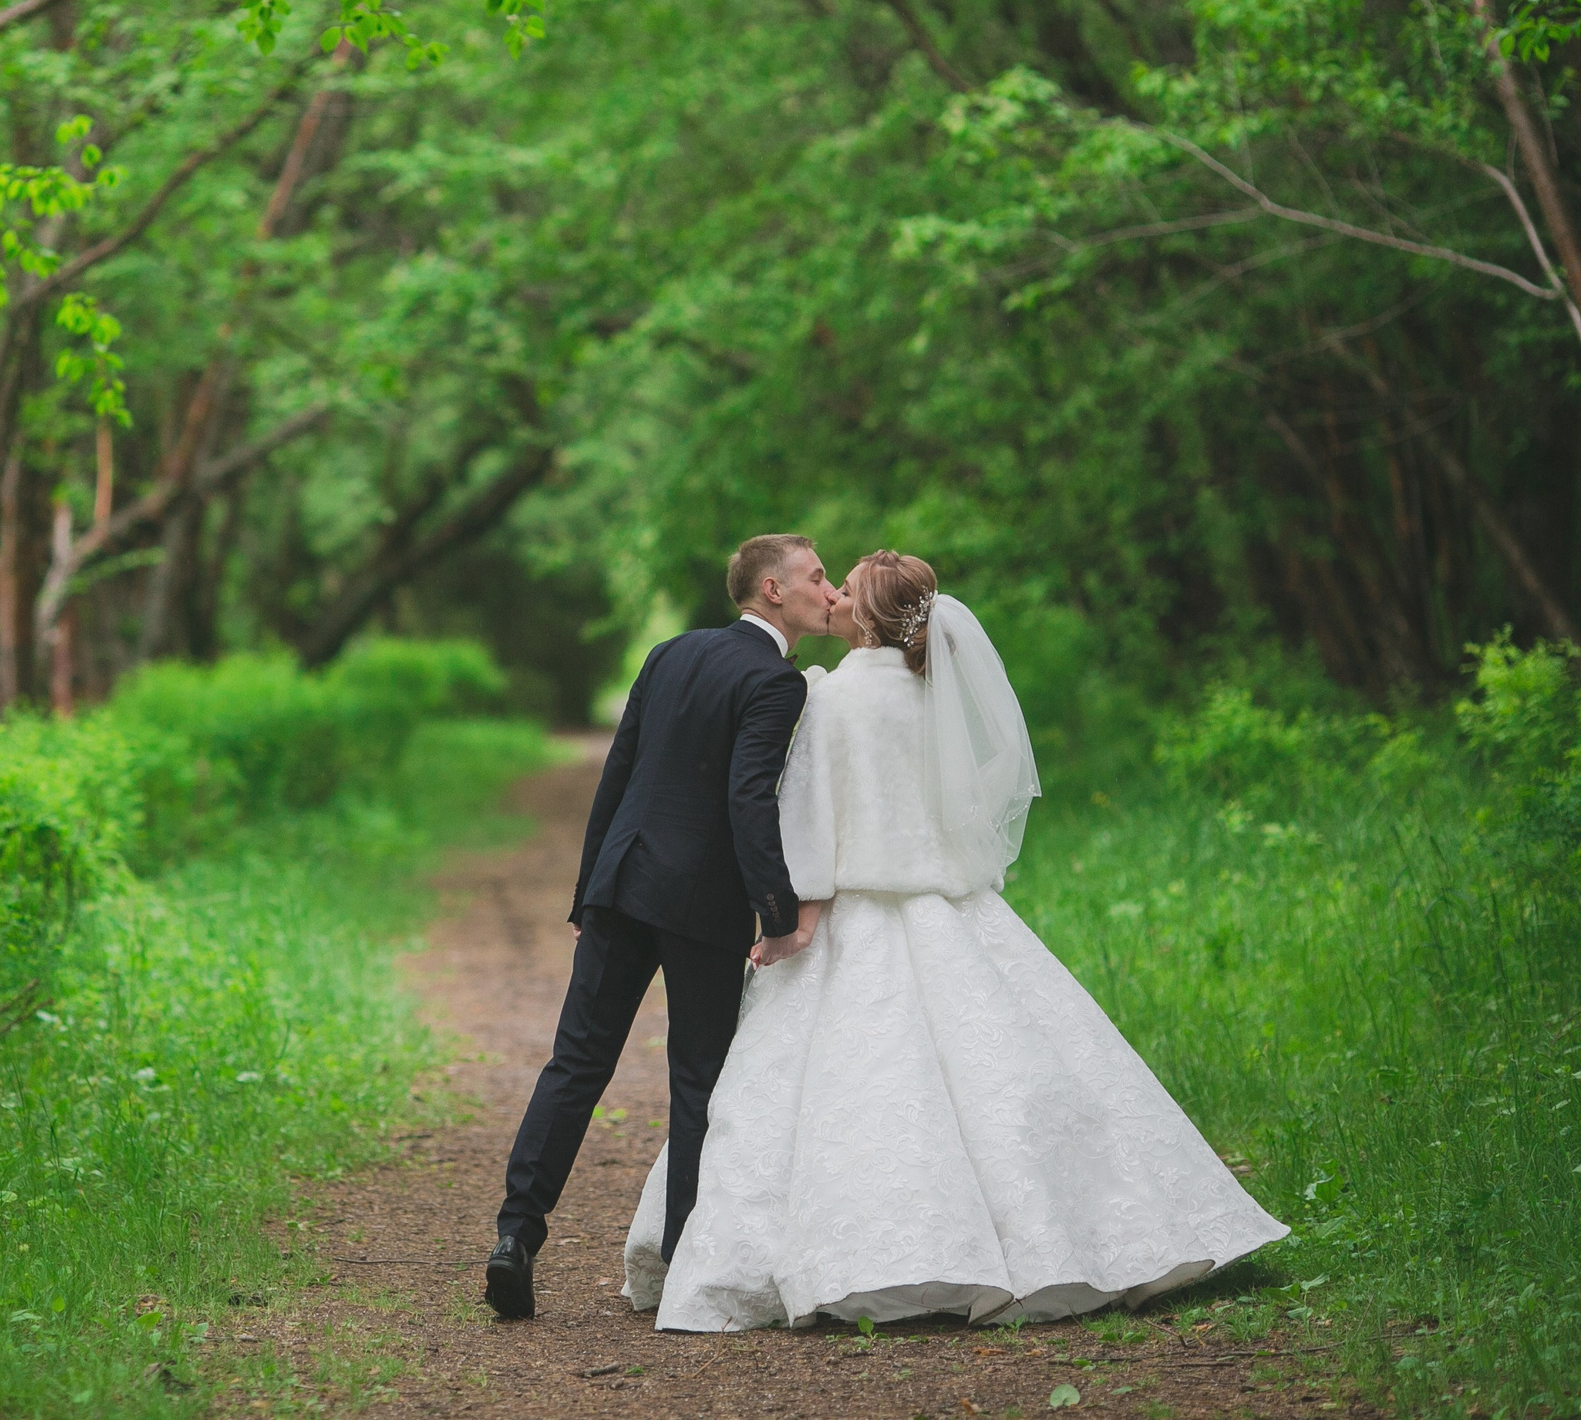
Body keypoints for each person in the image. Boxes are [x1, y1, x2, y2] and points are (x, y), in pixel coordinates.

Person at [620, 551, 1286, 1329]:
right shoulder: (935, 695)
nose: (833, 596)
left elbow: (809, 816)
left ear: (869, 616)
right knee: (1013, 1070)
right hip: (948, 910)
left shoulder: (830, 697)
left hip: (857, 911)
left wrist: (797, 920)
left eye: (847, 587)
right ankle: (1057, 1237)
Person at [484, 533, 839, 1321]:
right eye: (817, 575)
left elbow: (618, 774)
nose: (829, 587)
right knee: (697, 1080)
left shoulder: (669, 652)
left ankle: (515, 1234)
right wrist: (778, 913)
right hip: (701, 906)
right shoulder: (776, 681)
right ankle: (683, 1258)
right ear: (773, 590)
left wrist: (589, 892)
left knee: (575, 1064)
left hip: (621, 883)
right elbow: (748, 800)